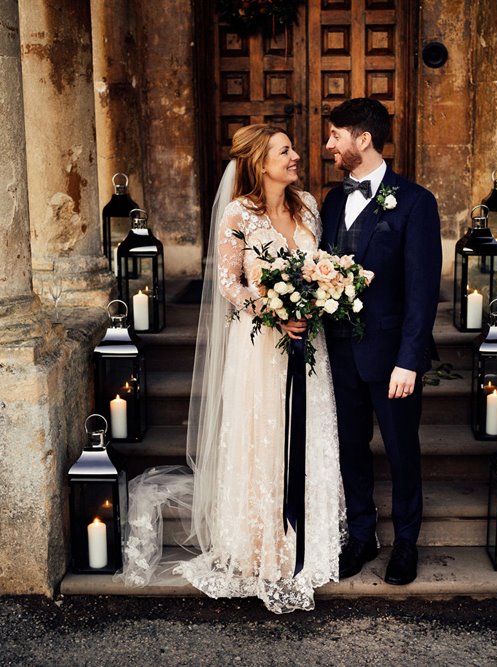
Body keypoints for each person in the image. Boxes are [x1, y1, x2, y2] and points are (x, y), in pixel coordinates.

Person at [173, 125, 345, 613]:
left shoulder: (308, 204)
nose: (295, 157)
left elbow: (321, 266)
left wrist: (318, 297)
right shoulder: (238, 214)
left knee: (308, 434)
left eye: (292, 149)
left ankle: (304, 545)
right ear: (259, 162)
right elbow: (229, 283)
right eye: (284, 150)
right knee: (261, 438)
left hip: (308, 343)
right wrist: (273, 309)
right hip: (260, 347)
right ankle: (258, 547)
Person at [320, 98, 441, 586]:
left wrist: (409, 360)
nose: (329, 146)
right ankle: (362, 534)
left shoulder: (415, 202)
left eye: (335, 136)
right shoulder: (331, 201)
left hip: (391, 357)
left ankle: (406, 541)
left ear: (362, 140)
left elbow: (422, 289)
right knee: (350, 446)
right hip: (337, 352)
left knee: (400, 449)